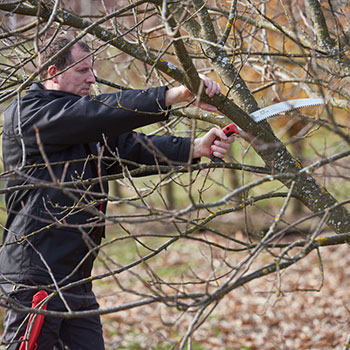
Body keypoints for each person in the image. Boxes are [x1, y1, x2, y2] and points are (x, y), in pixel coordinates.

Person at [0, 35, 234, 350]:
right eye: (83, 70)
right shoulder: (28, 115)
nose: (92, 78)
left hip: (77, 280)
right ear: (53, 72)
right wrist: (173, 94)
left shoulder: (82, 125)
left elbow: (128, 146)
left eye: (92, 69)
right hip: (36, 280)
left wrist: (195, 148)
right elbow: (97, 113)